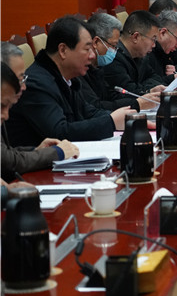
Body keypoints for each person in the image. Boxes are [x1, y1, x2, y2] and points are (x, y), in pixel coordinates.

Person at [6, 16, 132, 147]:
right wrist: (111, 122)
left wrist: (127, 118)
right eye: (87, 49)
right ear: (63, 50)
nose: (92, 55)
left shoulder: (67, 77)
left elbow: (88, 112)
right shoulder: (36, 84)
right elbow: (59, 132)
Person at [2, 63, 79, 182]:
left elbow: (6, 154)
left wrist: (36, 151)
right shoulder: (38, 84)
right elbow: (11, 163)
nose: (6, 115)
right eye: (19, 79)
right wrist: (57, 152)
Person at [81, 13, 159, 111]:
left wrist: (147, 93)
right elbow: (95, 106)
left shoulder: (97, 67)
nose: (115, 51)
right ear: (96, 42)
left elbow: (112, 95)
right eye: (113, 46)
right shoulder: (81, 71)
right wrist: (136, 104)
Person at [102, 10, 168, 97]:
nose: (154, 45)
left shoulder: (140, 55)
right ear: (136, 37)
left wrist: (146, 89)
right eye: (153, 39)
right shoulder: (113, 58)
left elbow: (154, 77)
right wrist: (148, 90)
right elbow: (128, 92)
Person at [140, 10, 177, 92]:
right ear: (163, 33)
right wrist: (172, 80)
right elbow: (147, 84)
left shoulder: (164, 51)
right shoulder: (146, 52)